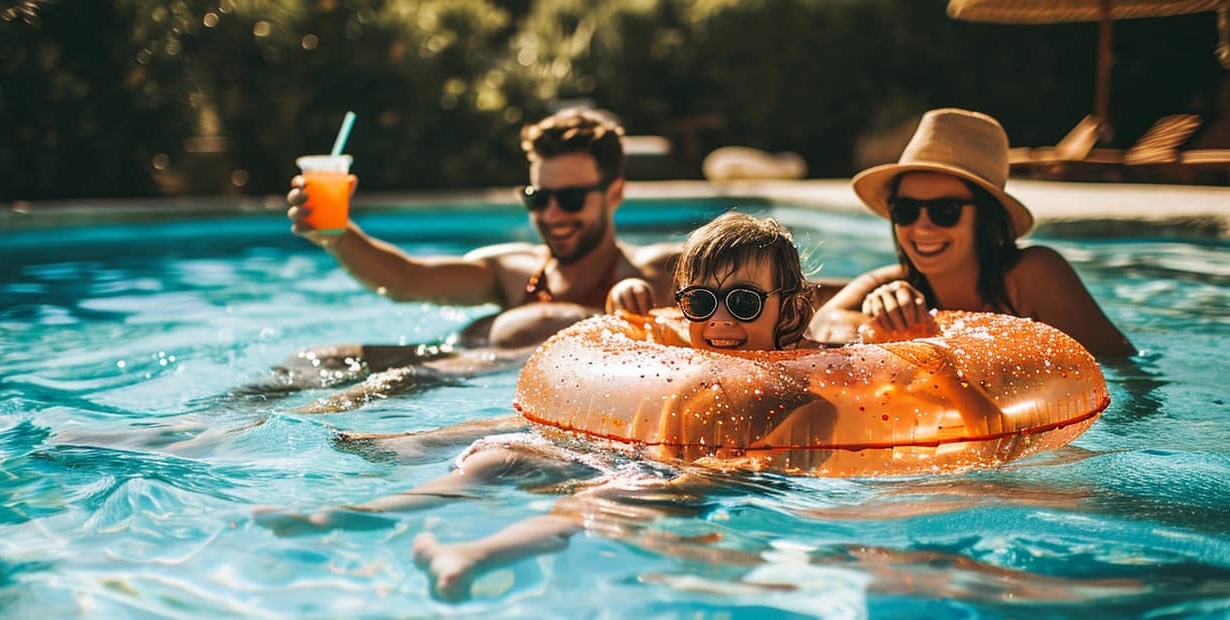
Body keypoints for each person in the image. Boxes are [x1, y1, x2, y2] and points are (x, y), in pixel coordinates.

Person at [260, 213, 925, 600]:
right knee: (504, 455)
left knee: (616, 493)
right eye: (701, 303)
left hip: (732, 470)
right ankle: (354, 515)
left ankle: (477, 556)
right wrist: (636, 301)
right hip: (648, 444)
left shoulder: (805, 360)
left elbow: (842, 395)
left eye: (744, 304)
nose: (720, 321)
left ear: (790, 309)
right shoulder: (676, 347)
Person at [254, 108, 683, 411]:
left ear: (615, 194)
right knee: (321, 358)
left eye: (570, 198)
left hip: (474, 379)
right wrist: (338, 236)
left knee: (395, 383)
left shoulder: (655, 274)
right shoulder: (512, 270)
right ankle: (204, 426)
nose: (552, 215)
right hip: (454, 360)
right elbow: (408, 280)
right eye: (538, 198)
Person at [809, 108, 1135, 357]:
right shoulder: (889, 284)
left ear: (984, 218)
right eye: (906, 210)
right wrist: (883, 320)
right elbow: (821, 326)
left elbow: (1124, 369)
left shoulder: (1032, 275)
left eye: (944, 211)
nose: (922, 227)